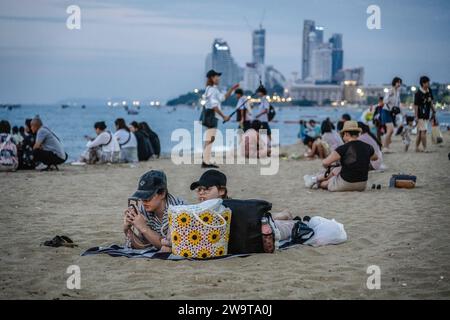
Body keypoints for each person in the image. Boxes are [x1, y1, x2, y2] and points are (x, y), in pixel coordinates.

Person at [190, 170, 297, 242]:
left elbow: (255, 218)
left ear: (221, 191)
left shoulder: (231, 207)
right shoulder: (199, 210)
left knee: (283, 222)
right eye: (199, 189)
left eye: (207, 189)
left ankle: (284, 214)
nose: (201, 192)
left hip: (269, 227)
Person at [304, 121, 378, 192]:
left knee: (326, 182)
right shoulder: (367, 147)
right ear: (358, 134)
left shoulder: (342, 148)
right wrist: (362, 157)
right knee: (338, 170)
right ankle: (314, 179)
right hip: (362, 185)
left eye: (342, 134)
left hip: (346, 183)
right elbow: (375, 157)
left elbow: (325, 163)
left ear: (346, 134)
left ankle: (315, 181)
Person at [123, 170, 185, 251]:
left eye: (148, 197)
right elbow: (144, 246)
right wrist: (127, 229)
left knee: (166, 248)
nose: (144, 201)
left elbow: (172, 247)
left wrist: (144, 228)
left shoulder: (179, 210)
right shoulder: (144, 209)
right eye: (141, 197)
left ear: (162, 193)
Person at [201, 69, 239, 168]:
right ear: (212, 78)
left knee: (209, 139)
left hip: (211, 115)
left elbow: (223, 98)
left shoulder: (213, 89)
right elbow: (214, 106)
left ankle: (205, 160)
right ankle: (205, 161)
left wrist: (231, 89)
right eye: (216, 76)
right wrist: (224, 116)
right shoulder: (212, 90)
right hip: (211, 116)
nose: (218, 78)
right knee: (210, 139)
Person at [414, 76, 436, 152]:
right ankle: (425, 148)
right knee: (423, 131)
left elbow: (430, 102)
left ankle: (417, 148)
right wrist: (416, 116)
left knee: (420, 132)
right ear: (423, 83)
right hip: (421, 115)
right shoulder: (418, 93)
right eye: (427, 82)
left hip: (427, 114)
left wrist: (434, 111)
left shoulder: (429, 91)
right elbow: (416, 105)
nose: (429, 84)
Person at [382, 77, 402, 152]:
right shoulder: (390, 90)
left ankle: (387, 146)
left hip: (392, 113)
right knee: (390, 130)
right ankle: (384, 147)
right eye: (398, 82)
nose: (399, 84)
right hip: (386, 111)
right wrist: (390, 96)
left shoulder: (398, 92)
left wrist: (401, 112)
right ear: (394, 82)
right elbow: (385, 101)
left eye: (400, 82)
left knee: (391, 130)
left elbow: (398, 103)